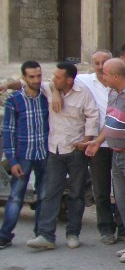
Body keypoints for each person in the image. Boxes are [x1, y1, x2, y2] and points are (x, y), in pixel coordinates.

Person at [72, 50, 125, 244]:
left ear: (115, 76)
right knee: (122, 201)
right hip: (117, 154)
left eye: (106, 73)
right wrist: (97, 141)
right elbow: (110, 122)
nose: (102, 76)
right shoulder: (114, 92)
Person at [26, 62, 98, 251]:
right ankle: (46, 235)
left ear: (69, 80)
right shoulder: (51, 88)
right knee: (50, 193)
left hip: (76, 150)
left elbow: (92, 117)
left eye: (58, 77)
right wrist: (55, 91)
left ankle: (73, 233)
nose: (53, 79)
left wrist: (86, 142)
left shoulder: (83, 93)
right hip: (54, 150)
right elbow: (33, 83)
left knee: (76, 193)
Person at [0, 61, 49, 249]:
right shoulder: (14, 100)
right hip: (23, 156)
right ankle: (5, 235)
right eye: (31, 77)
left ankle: (41, 234)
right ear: (24, 78)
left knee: (43, 196)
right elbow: (9, 132)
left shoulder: (46, 96)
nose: (36, 80)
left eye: (39, 76)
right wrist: (12, 161)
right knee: (16, 196)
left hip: (44, 154)